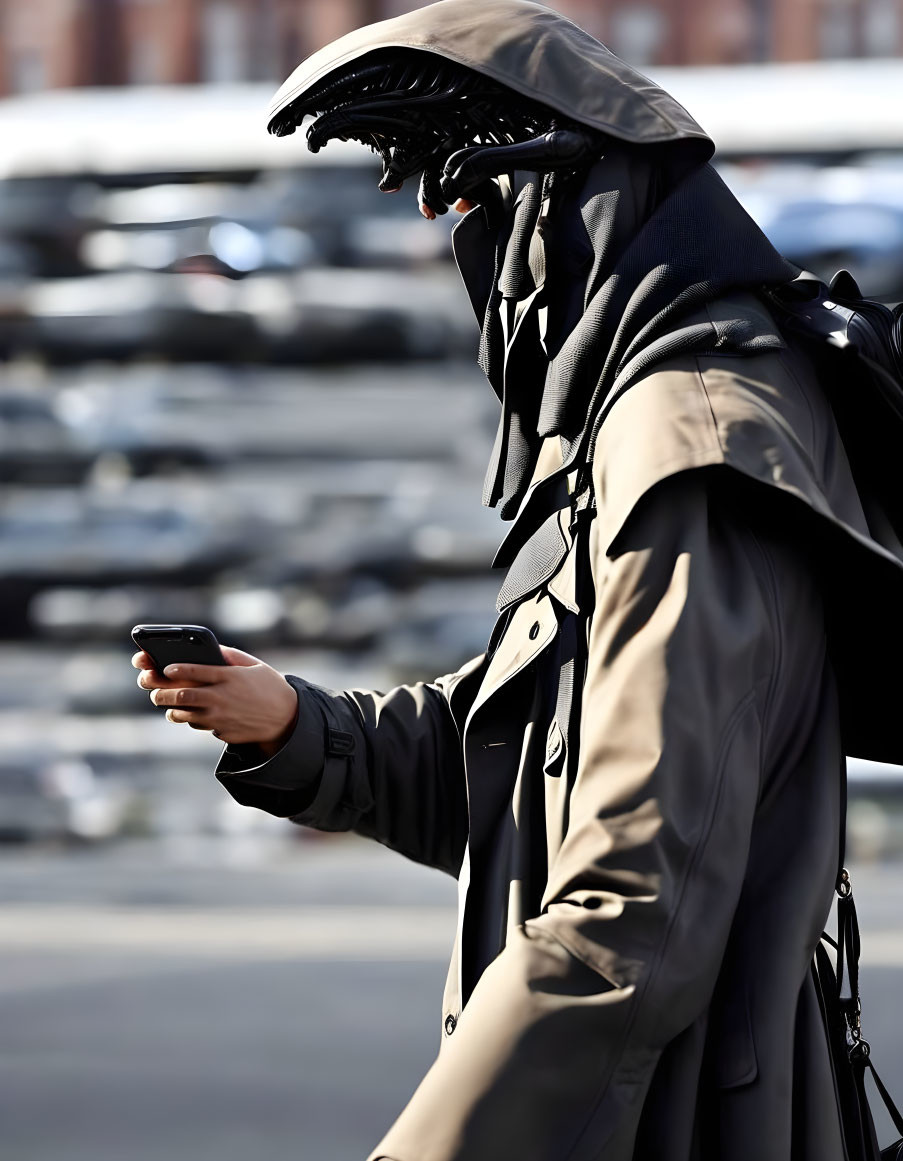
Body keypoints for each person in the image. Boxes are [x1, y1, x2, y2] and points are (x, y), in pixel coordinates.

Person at [133, 2, 903, 1158]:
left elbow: (633, 912)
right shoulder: (636, 428)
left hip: (675, 1121)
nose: (473, 258)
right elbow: (528, 770)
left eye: (480, 207)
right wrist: (296, 729)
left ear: (568, 207)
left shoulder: (690, 447)